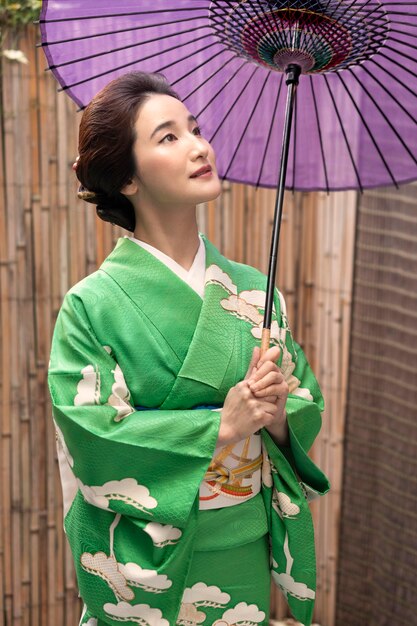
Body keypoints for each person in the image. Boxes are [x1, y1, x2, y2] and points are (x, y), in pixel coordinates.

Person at [48, 72, 329, 626]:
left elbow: (304, 400)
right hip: (144, 565)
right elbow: (93, 434)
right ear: (126, 177)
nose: (200, 146)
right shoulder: (92, 305)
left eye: (195, 129)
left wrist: (274, 417)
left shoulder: (255, 291)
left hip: (240, 554)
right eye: (168, 136)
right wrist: (222, 427)